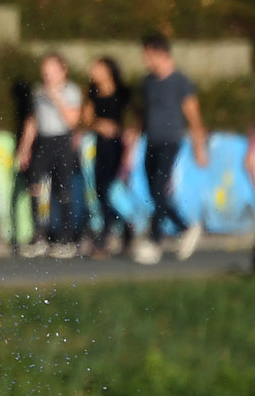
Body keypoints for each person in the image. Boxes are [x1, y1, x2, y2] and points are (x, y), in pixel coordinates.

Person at [135, 35, 208, 266]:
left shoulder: (180, 82)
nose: (145, 60)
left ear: (161, 54)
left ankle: (155, 241)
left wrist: (199, 146)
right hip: (151, 141)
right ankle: (186, 226)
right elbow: (143, 114)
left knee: (159, 187)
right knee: (154, 192)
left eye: (148, 55)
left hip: (170, 142)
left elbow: (194, 116)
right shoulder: (148, 82)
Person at [14, 53, 89, 259]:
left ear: (63, 70)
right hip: (43, 142)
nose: (48, 76)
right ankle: (39, 235)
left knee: (62, 189)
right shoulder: (38, 91)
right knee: (35, 186)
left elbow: (72, 120)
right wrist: (25, 147)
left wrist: (56, 97)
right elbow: (33, 120)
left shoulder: (71, 91)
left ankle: (66, 237)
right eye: (45, 71)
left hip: (62, 141)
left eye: (52, 71)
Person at [86, 57, 134, 257]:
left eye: (97, 68)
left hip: (119, 146)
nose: (93, 71)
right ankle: (116, 231)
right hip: (101, 145)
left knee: (114, 189)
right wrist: (100, 125)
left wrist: (127, 134)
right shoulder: (92, 93)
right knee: (100, 189)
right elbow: (87, 119)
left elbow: (134, 119)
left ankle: (113, 232)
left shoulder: (124, 93)